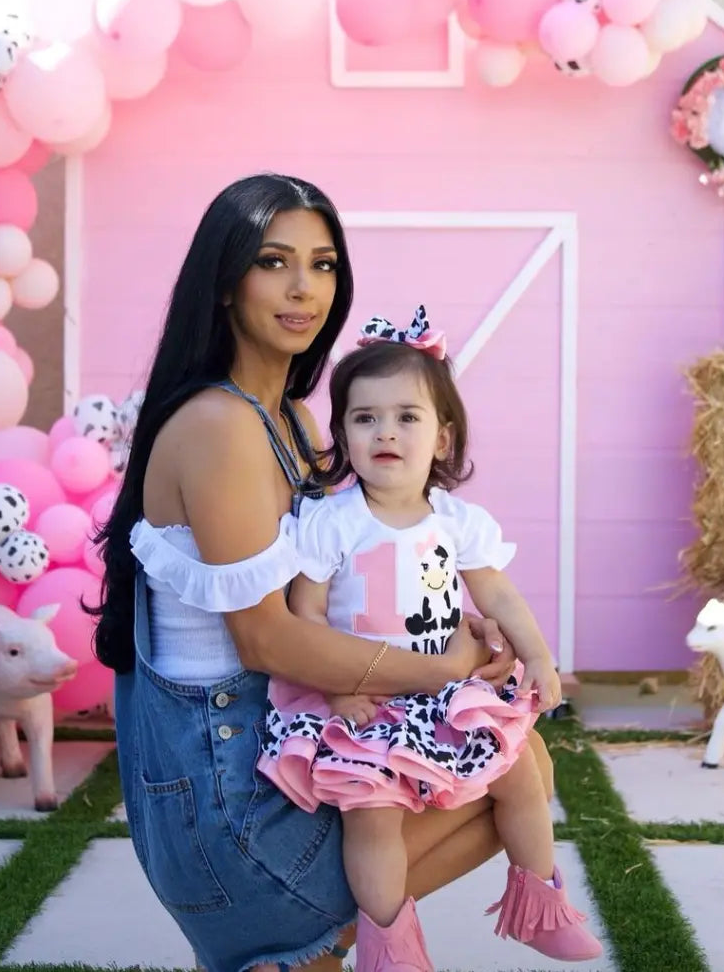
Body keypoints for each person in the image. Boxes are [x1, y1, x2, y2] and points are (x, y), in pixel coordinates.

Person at [89, 174, 556, 972]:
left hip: (289, 750)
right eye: (274, 262)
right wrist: (439, 667)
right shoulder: (220, 425)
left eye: (324, 263)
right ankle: (298, 947)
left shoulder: (294, 419)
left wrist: (453, 622)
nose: (304, 287)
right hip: (234, 808)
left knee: (513, 754)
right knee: (515, 761)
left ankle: (311, 953)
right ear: (226, 282)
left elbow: (358, 568)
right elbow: (266, 638)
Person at [258, 308, 602, 969]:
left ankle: (537, 900)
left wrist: (537, 656)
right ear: (344, 434)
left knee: (521, 765)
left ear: (442, 438)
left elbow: (495, 594)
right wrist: (337, 691)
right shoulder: (333, 523)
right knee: (373, 814)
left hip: (441, 693)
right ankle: (389, 944)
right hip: (361, 700)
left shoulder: (456, 521)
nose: (385, 430)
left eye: (406, 416)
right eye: (364, 417)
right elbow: (303, 617)